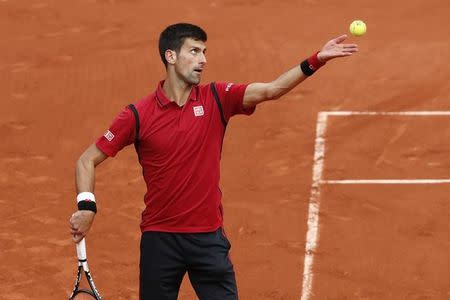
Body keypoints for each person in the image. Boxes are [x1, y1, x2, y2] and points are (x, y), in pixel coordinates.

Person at [69, 23, 358, 299]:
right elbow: (87, 160)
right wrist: (87, 206)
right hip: (160, 240)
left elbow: (272, 90)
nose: (203, 59)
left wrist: (316, 60)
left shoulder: (217, 98)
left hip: (208, 239)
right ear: (171, 56)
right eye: (194, 51)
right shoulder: (138, 114)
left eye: (204, 52)